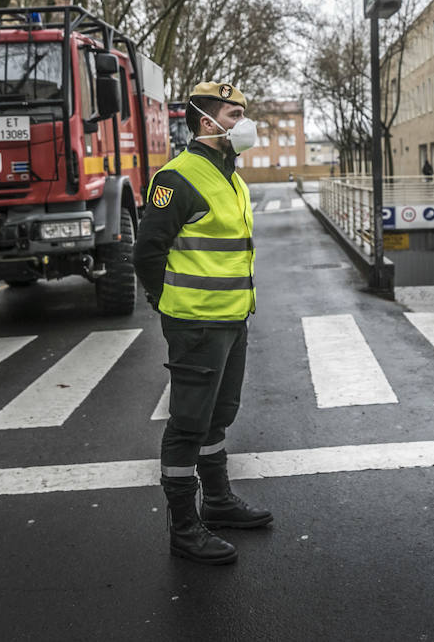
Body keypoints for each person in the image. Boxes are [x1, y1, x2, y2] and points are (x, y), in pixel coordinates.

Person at [133, 81, 271, 566]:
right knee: (188, 424)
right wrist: (164, 302)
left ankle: (217, 502)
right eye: (235, 115)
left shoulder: (230, 176)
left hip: (232, 321)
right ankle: (184, 527)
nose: (244, 124)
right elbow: (148, 251)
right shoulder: (179, 178)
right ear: (206, 121)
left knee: (218, 416)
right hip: (195, 323)